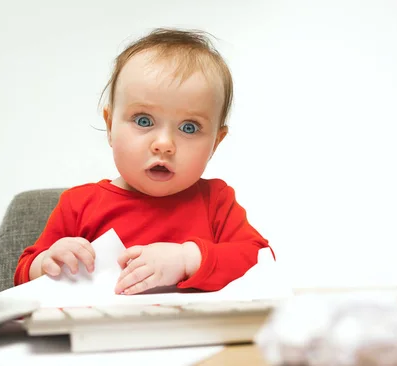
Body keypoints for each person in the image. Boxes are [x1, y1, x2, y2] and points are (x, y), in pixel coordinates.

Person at [14, 27, 273, 295]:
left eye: (189, 127)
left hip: (194, 334)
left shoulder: (216, 202)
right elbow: (22, 276)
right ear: (111, 126)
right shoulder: (78, 205)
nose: (164, 144)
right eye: (143, 121)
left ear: (215, 143)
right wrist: (47, 263)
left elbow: (262, 262)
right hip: (103, 334)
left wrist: (187, 259)